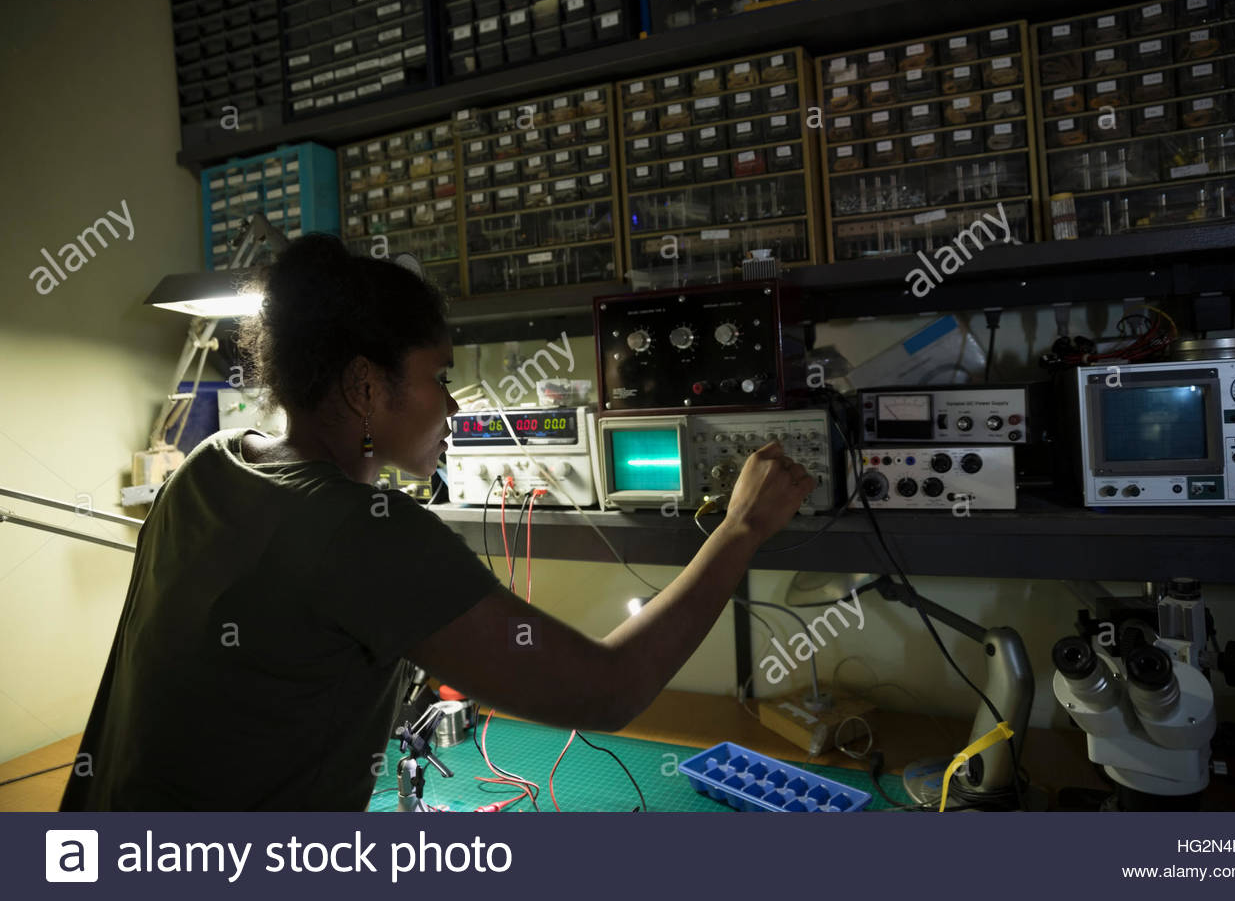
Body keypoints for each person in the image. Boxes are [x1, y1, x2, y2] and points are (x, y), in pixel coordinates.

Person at [60, 234, 816, 810]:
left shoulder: (210, 463)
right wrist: (740, 530)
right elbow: (607, 692)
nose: (453, 406)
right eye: (439, 378)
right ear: (364, 385)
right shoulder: (362, 530)